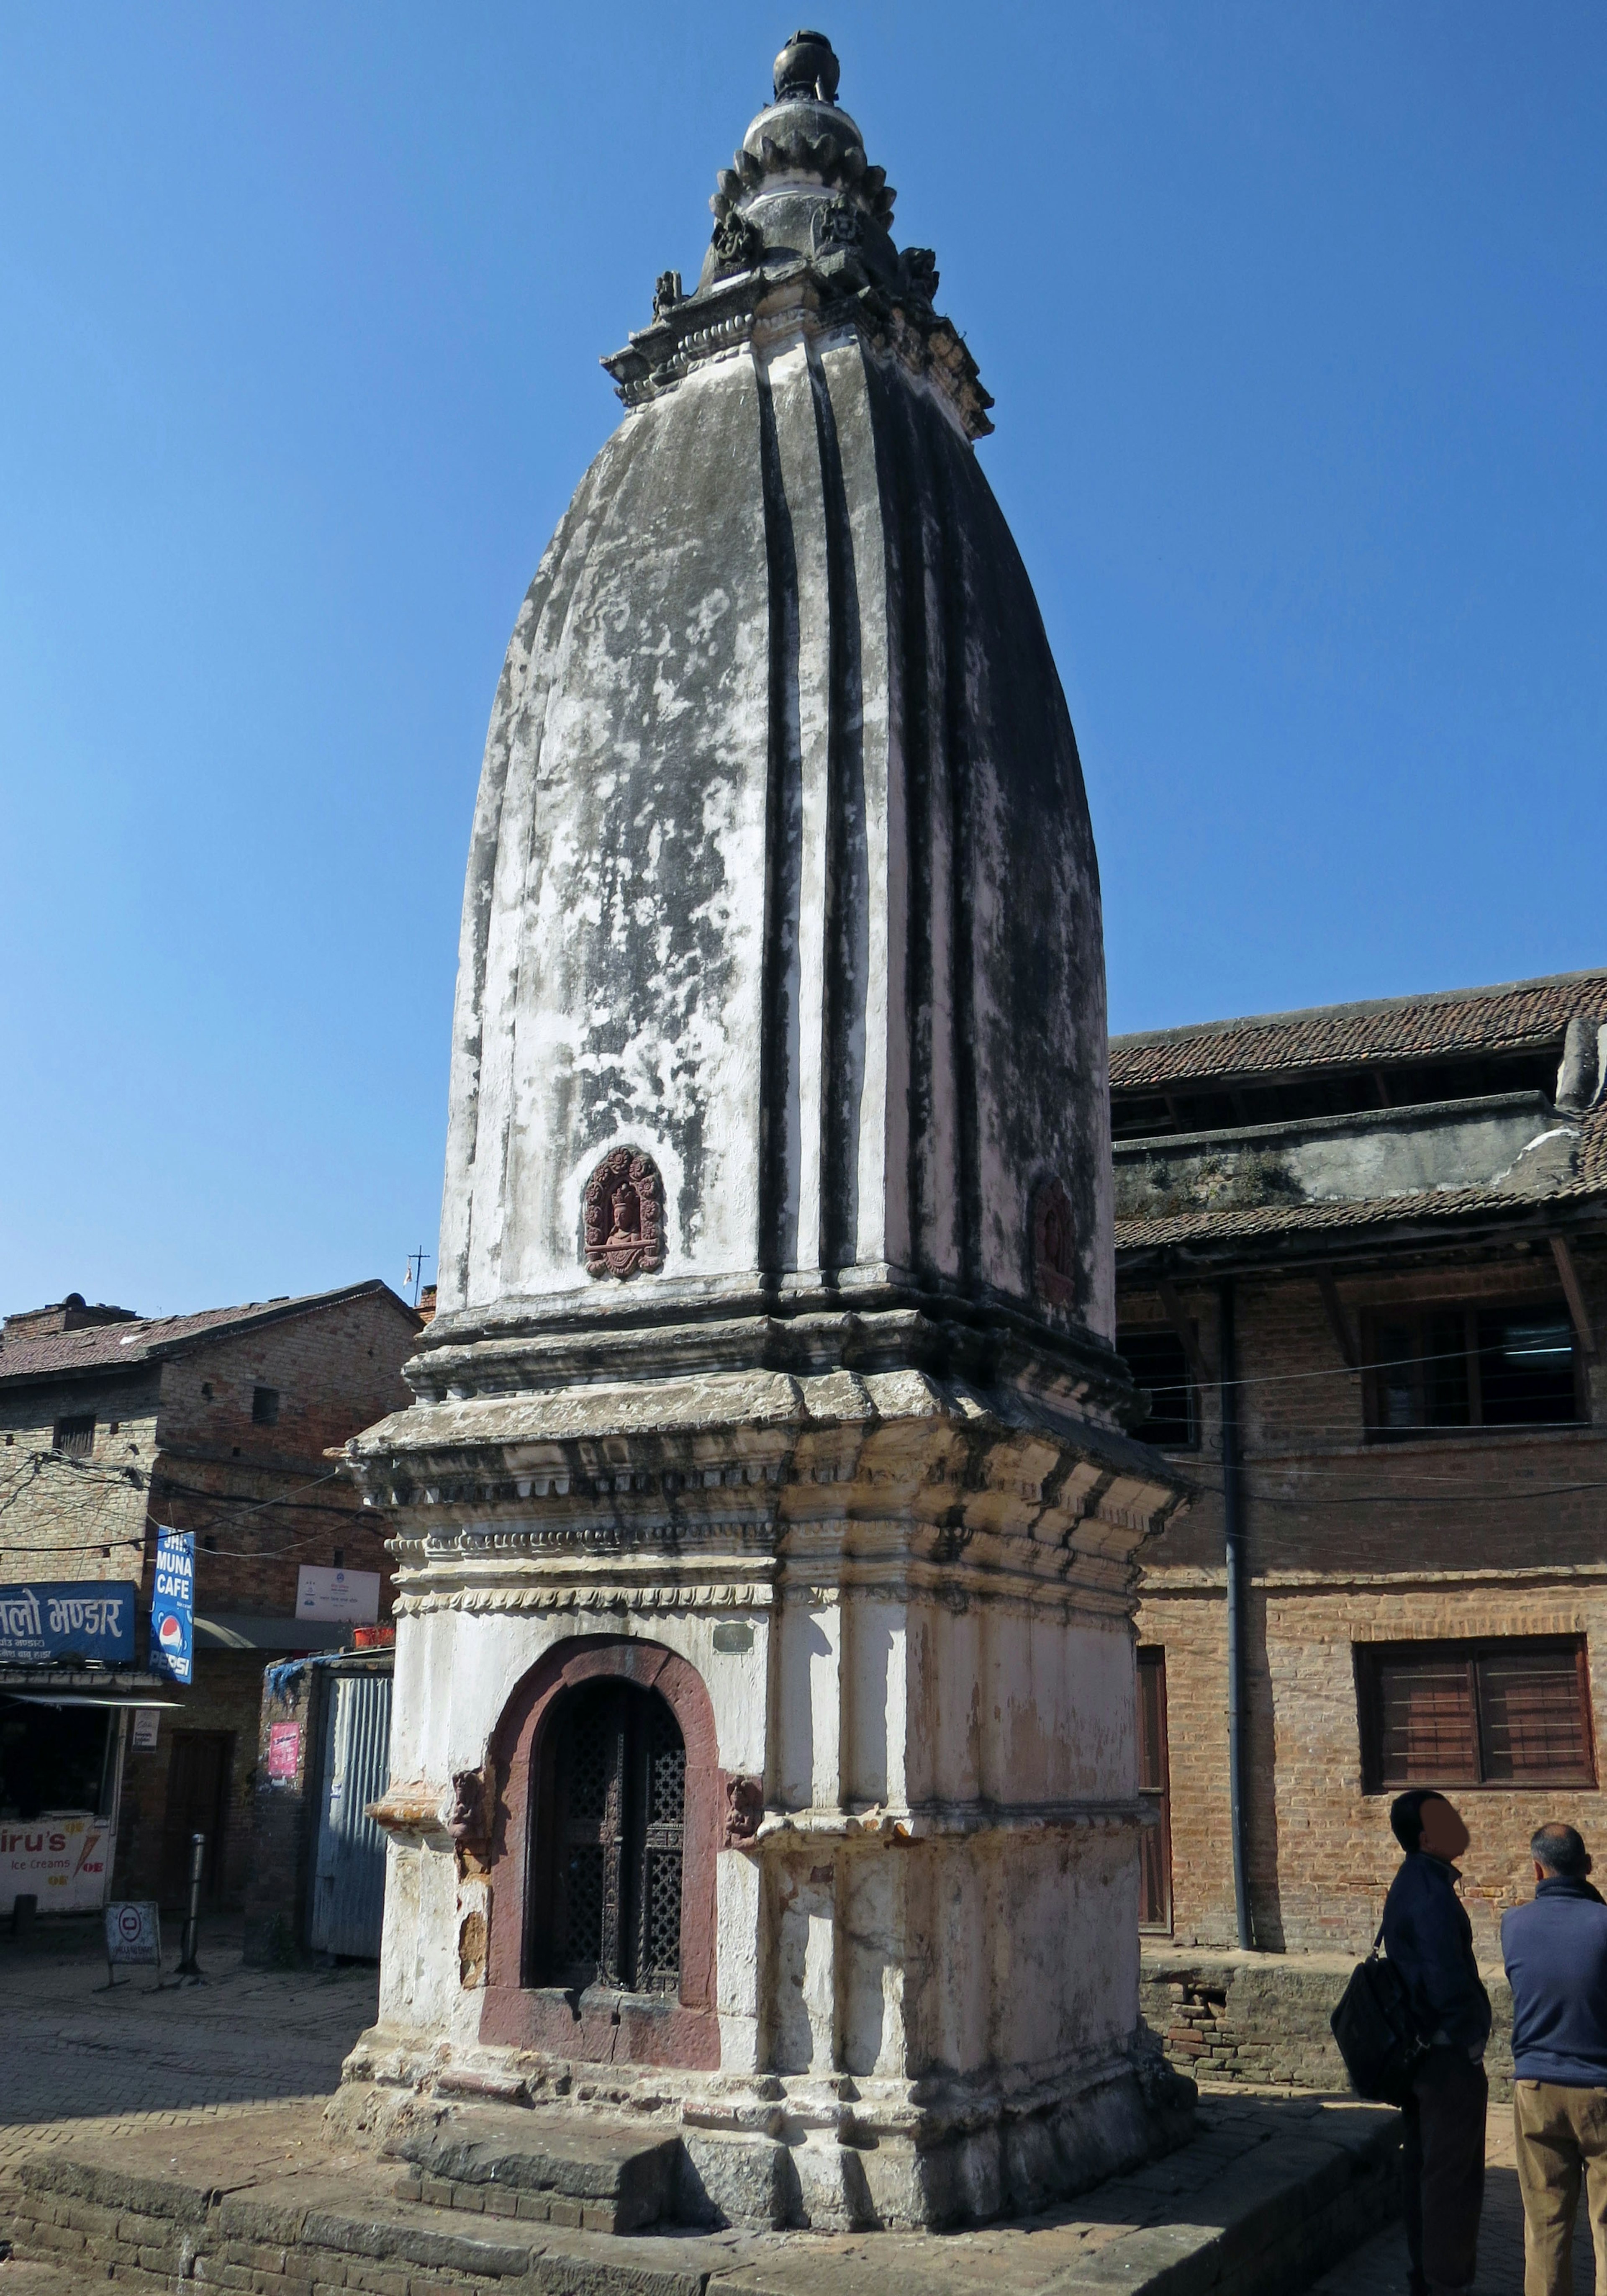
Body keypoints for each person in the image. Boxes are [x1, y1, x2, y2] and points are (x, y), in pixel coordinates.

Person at [1383, 1789, 1492, 2296]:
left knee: (1430, 2168)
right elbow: (1444, 1977)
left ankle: (1429, 2276)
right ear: (1425, 1837)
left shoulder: (1420, 1882)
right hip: (1446, 2056)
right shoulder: (1427, 1893)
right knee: (1451, 2177)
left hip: (1430, 2052)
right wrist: (1470, 2040)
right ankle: (1445, 2282)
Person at [1501, 1822, 1607, 2296]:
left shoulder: (1514, 1924)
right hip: (1601, 2088)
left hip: (1536, 2087)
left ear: (1536, 1869)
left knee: (1545, 2229)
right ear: (1588, 1866)